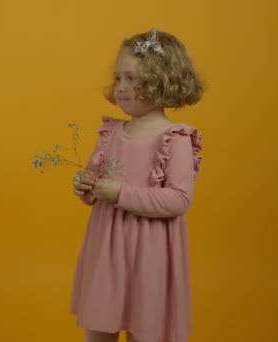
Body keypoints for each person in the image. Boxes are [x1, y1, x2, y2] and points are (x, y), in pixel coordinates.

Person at [71, 28, 204, 342]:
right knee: (98, 325)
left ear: (161, 82)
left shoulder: (175, 138)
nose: (121, 88)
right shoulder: (112, 132)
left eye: (132, 80)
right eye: (119, 78)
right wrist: (85, 186)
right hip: (106, 250)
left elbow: (178, 200)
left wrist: (120, 192)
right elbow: (95, 184)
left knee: (146, 330)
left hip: (150, 254)